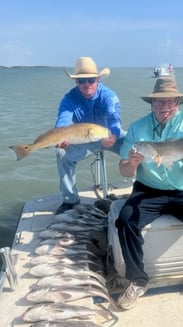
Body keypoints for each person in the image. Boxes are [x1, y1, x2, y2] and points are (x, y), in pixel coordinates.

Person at [115, 77, 183, 310]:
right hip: (148, 190)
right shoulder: (137, 128)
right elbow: (124, 170)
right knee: (125, 221)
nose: (165, 105)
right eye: (159, 101)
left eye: (171, 101)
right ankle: (137, 280)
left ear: (177, 102)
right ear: (152, 104)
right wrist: (133, 164)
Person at [55, 57, 125, 215]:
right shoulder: (69, 98)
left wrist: (113, 136)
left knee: (139, 148)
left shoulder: (109, 96)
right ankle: (70, 200)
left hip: (110, 135)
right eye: (81, 80)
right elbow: (63, 121)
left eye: (91, 80)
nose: (87, 84)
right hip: (85, 139)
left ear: (98, 79)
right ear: (76, 82)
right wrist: (60, 138)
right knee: (62, 155)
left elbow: (115, 121)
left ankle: (143, 191)